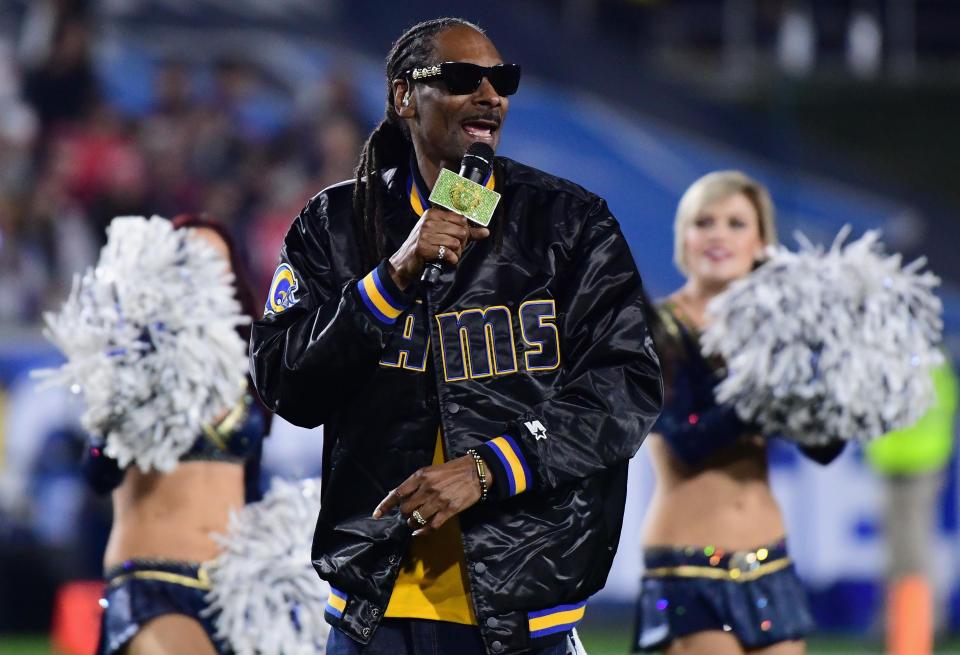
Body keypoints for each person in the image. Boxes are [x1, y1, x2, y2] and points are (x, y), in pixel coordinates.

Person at [249, 17, 662, 655]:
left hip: (525, 616)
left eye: (502, 80)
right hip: (377, 612)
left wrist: (489, 467)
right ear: (403, 97)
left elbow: (625, 385)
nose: (490, 95)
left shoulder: (569, 224)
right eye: (464, 78)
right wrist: (390, 279)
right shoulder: (336, 225)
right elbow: (286, 385)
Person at [633, 171, 843, 655]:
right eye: (704, 222)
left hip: (771, 562)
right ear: (683, 237)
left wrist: (839, 389)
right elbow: (684, 440)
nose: (719, 235)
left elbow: (824, 449)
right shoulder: (657, 327)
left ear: (763, 241)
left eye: (736, 223)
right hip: (689, 569)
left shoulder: (773, 334)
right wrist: (759, 387)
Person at [83, 215, 268, 655]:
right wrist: (114, 417)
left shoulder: (251, 375)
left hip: (233, 592)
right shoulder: (131, 360)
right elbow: (96, 475)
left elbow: (249, 488)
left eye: (213, 261)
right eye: (189, 259)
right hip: (152, 582)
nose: (201, 272)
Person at [865, 357, 957, 655]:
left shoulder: (924, 356)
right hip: (897, 459)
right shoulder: (924, 355)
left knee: (911, 553)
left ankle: (916, 634)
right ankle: (902, 628)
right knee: (901, 551)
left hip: (919, 461)